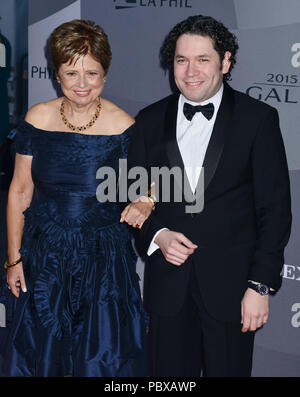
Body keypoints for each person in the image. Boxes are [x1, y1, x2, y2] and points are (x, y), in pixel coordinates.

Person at [125, 15, 292, 376]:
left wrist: (259, 285)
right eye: (181, 59)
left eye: (203, 59)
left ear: (225, 62)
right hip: (168, 289)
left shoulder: (258, 119)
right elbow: (134, 197)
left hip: (233, 289)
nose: (190, 71)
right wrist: (157, 234)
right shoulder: (149, 120)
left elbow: (275, 209)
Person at [1, 19, 151, 377]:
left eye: (92, 73)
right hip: (43, 256)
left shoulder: (124, 126)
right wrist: (13, 259)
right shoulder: (37, 118)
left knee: (101, 359)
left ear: (105, 75)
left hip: (103, 261)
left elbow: (150, 183)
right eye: (72, 73)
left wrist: (148, 198)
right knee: (41, 354)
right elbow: (21, 190)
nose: (82, 84)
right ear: (57, 74)